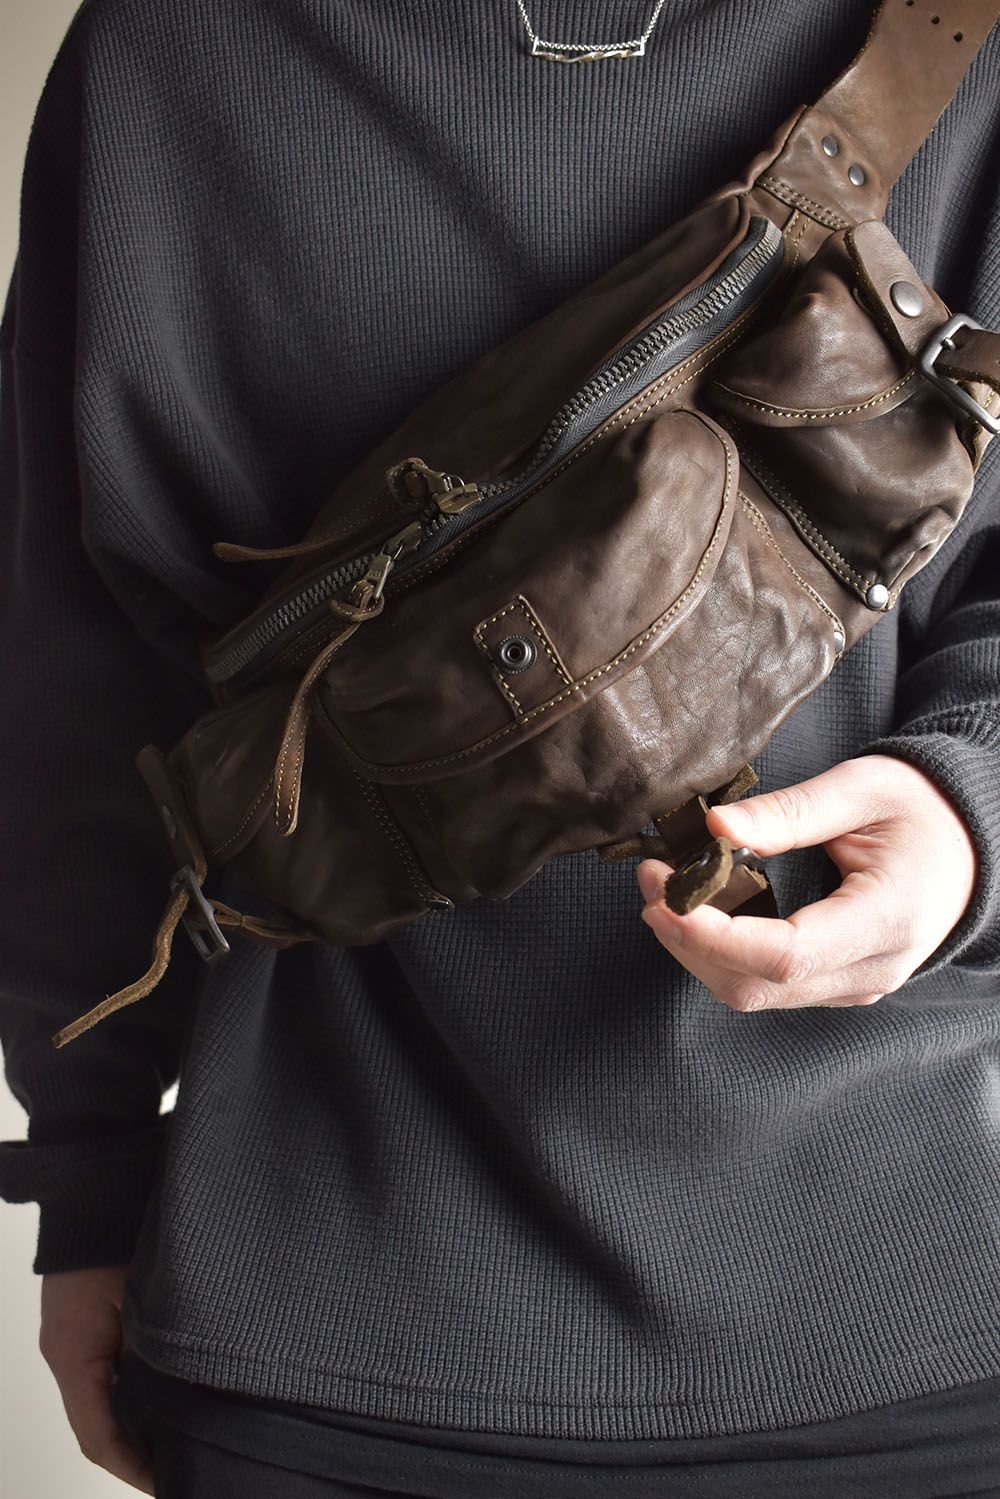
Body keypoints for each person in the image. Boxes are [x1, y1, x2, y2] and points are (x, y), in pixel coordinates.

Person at [2, 1, 999, 1496]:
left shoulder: (967, 42)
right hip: (340, 1339)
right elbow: (71, 692)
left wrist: (965, 805)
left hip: (913, 1312)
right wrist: (82, 1188)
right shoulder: (166, 50)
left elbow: (75, 701)